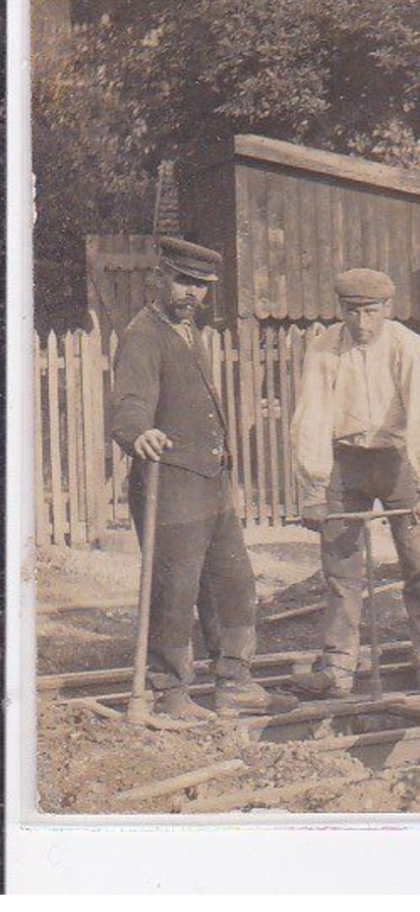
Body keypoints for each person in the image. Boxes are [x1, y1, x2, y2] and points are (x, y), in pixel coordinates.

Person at [106, 238, 294, 721]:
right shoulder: (144, 334)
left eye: (201, 286)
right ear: (159, 277)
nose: (192, 293)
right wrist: (136, 432)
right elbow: (129, 400)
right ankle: (169, 692)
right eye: (183, 281)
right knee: (176, 588)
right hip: (169, 483)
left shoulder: (191, 331)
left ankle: (234, 683)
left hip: (210, 480)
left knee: (232, 581)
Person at [289, 268, 420, 699]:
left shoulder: (408, 346)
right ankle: (339, 665)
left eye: (371, 312)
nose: (362, 323)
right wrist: (313, 489)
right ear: (341, 310)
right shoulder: (324, 347)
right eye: (352, 312)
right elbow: (312, 415)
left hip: (400, 461)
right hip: (347, 461)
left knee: (418, 561)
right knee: (341, 568)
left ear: (388, 309)